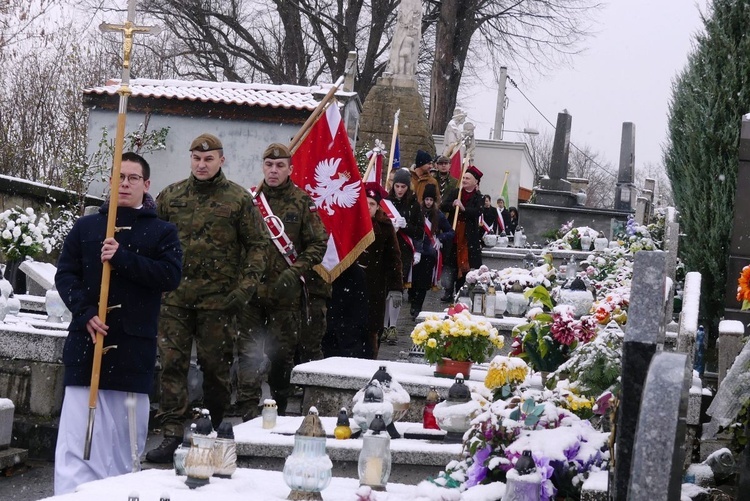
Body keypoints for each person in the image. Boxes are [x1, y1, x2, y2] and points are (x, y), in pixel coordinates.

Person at [54, 153, 183, 493]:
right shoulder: (86, 226)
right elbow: (66, 274)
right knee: (79, 441)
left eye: (133, 178)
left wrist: (123, 257)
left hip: (131, 352)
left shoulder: (162, 231)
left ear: (146, 184)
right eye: (119, 177)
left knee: (124, 449)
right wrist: (84, 314)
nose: (124, 184)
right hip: (87, 348)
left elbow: (170, 276)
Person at [146, 133, 267, 463]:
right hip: (175, 299)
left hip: (219, 301)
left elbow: (258, 246)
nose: (202, 164)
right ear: (191, 160)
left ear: (221, 160)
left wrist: (243, 290)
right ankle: (171, 432)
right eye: (197, 159)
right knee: (172, 365)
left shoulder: (238, 200)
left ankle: (211, 430)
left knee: (215, 369)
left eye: (209, 159)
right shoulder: (170, 197)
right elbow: (152, 239)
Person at [236, 143, 328, 419]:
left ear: (290, 168)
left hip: (284, 293)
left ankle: (279, 405)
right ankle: (247, 411)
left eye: (279, 166)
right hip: (251, 293)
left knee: (281, 356)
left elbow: (318, 243)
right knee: (247, 352)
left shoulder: (302, 202)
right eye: (268, 165)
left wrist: (294, 271)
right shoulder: (248, 201)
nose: (273, 171)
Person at [358, 182, 403, 358]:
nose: (368, 207)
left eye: (372, 204)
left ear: (377, 207)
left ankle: (369, 360)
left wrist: (396, 287)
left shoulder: (384, 227)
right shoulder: (352, 223)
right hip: (351, 286)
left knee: (372, 329)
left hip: (374, 286)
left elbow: (394, 258)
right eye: (365, 202)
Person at [383, 168, 423, 345]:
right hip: (385, 249)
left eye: (403, 186)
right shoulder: (386, 202)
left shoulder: (414, 204)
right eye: (397, 186)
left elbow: (419, 231)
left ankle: (393, 326)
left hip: (403, 251)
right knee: (384, 289)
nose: (399, 190)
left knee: (397, 289)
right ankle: (383, 326)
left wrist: (405, 226)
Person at [409, 184, 454, 320]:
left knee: (423, 283)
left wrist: (440, 238)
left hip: (430, 254)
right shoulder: (417, 212)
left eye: (431, 200)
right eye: (426, 199)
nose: (428, 202)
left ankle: (417, 306)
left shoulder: (438, 215)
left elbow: (450, 232)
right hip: (416, 251)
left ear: (434, 201)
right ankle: (413, 301)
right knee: (414, 281)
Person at [440, 165, 484, 300]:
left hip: (467, 237)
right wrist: (452, 204)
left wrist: (464, 208)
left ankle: (460, 291)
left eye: (467, 178)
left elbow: (477, 211)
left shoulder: (478, 197)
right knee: (449, 264)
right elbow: (443, 205)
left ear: (475, 181)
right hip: (453, 235)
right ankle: (448, 290)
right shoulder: (456, 192)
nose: (464, 180)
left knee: (464, 264)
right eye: (463, 178)